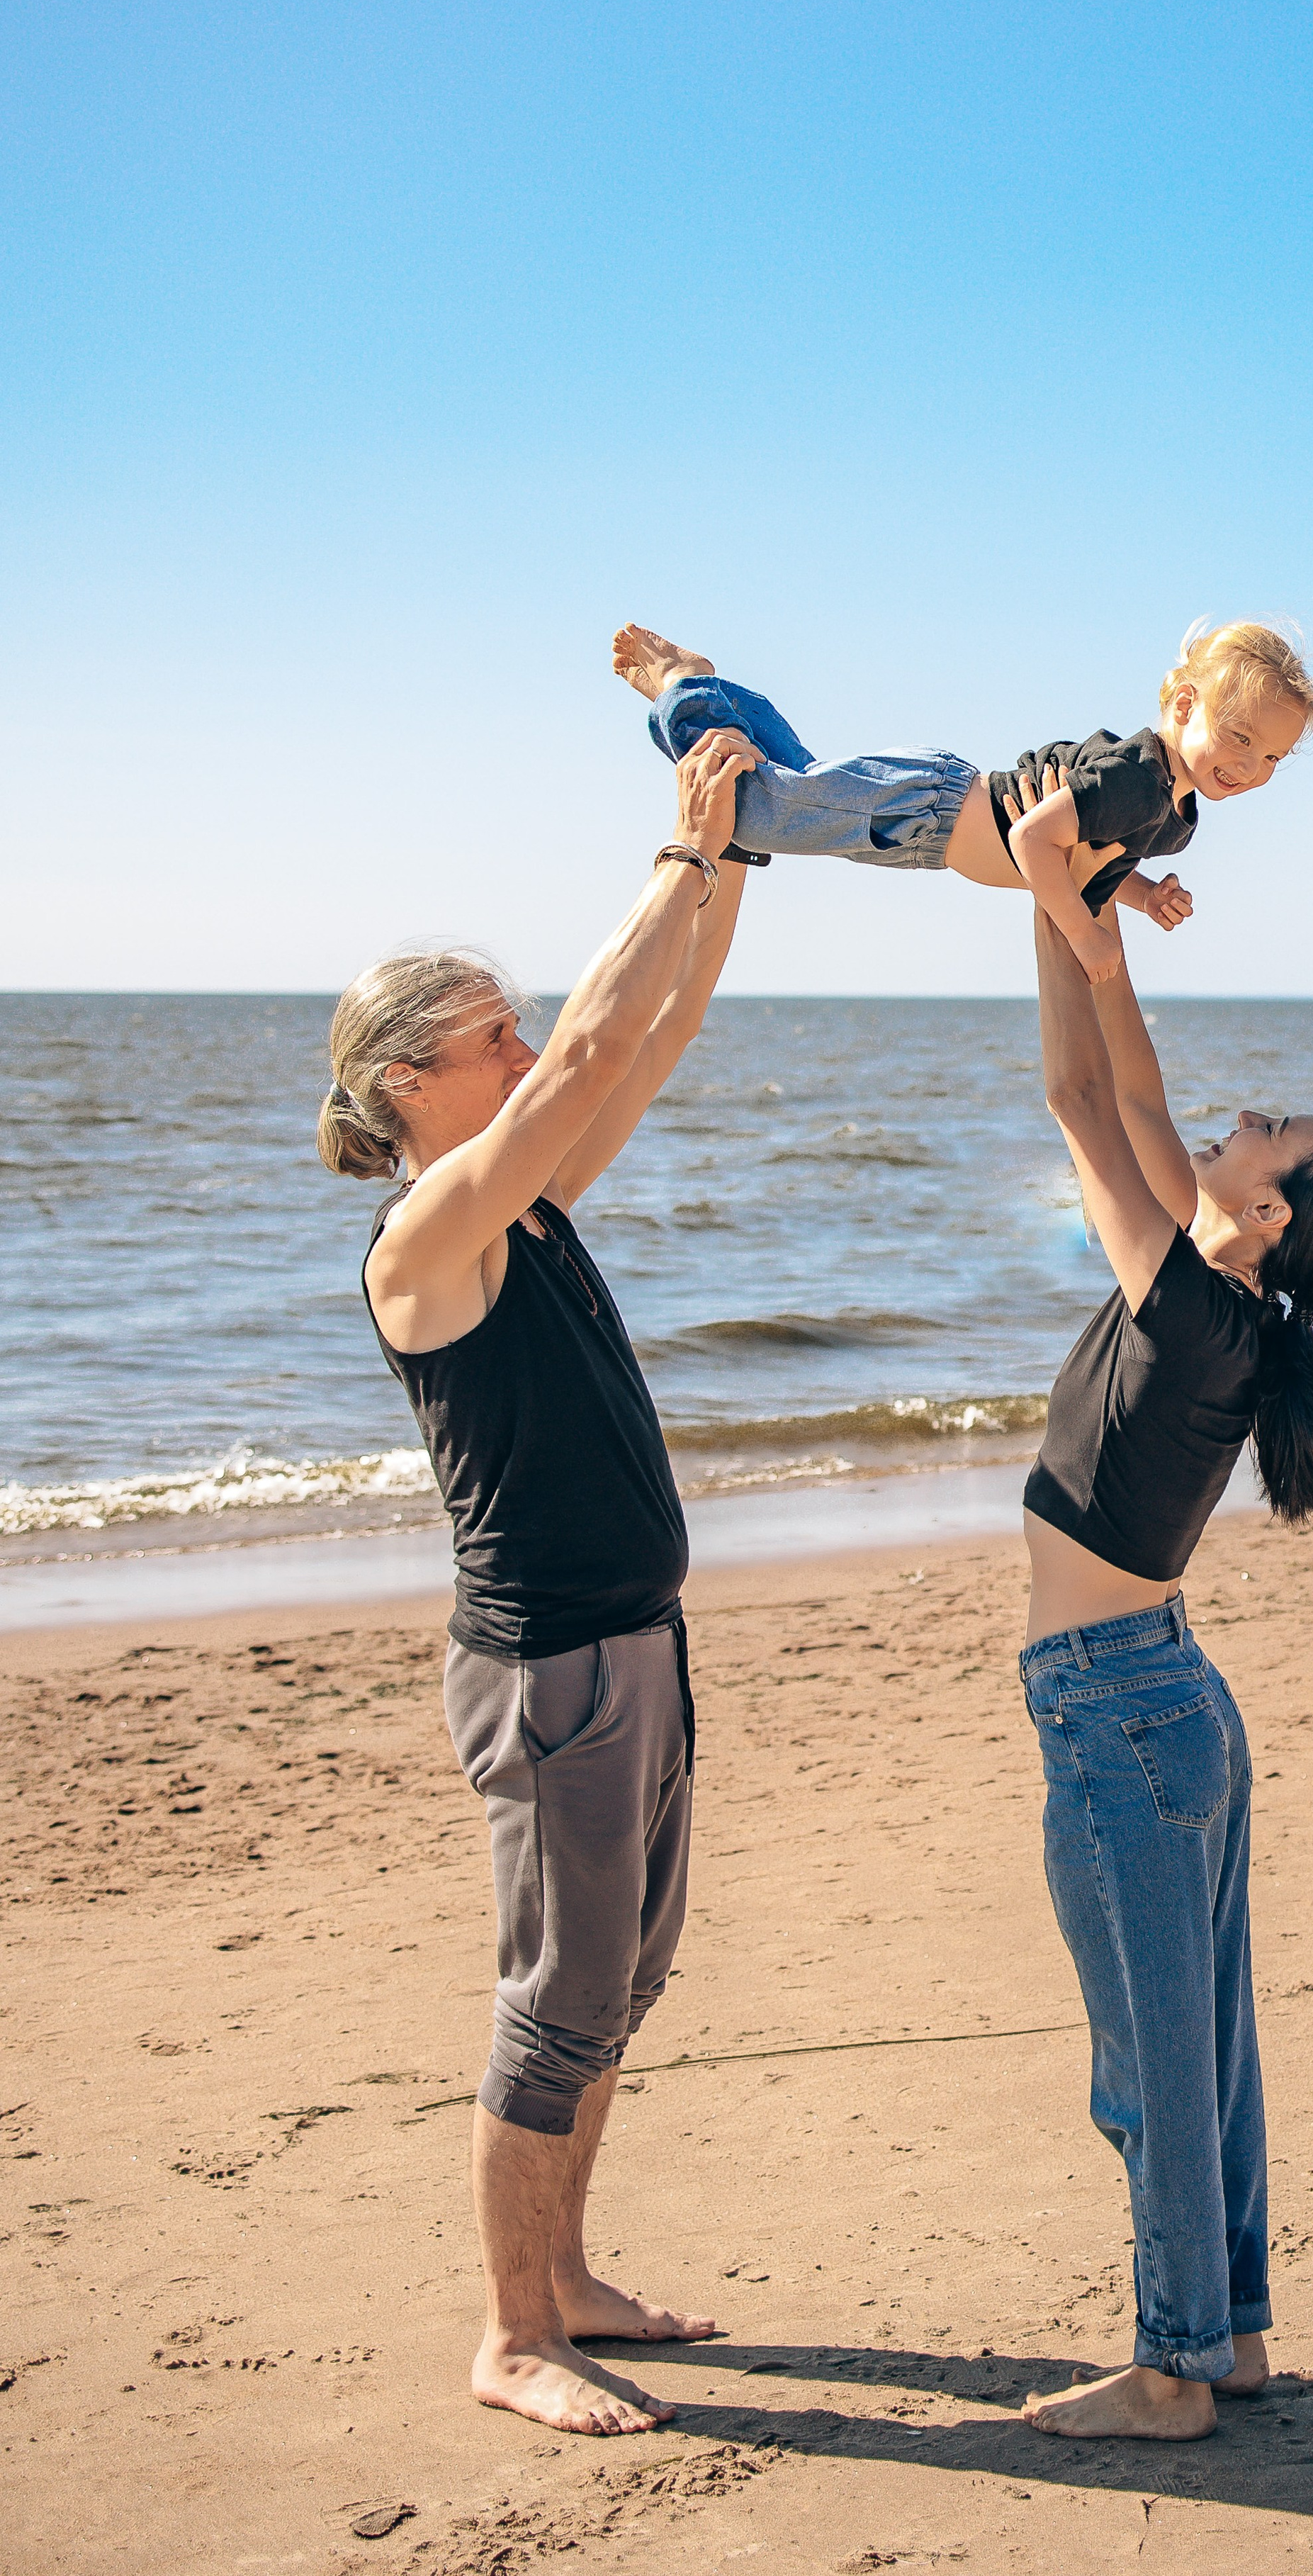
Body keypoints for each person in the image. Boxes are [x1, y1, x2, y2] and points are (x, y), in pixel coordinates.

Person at [316, 728, 755, 2438]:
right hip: (552, 1671)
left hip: (634, 1648)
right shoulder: (430, 1232)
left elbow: (647, 1033)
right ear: (412, 1077)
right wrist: (669, 846)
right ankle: (511, 2333)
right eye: (484, 1032)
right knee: (556, 1999)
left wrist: (725, 869)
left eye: (510, 1021)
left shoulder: (527, 1201)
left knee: (613, 1992)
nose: (519, 1048)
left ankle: (567, 2281)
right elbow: (581, 1047)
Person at [1013, 885, 1313, 2441]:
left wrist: (1082, 923)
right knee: (1199, 2046)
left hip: (1123, 1713)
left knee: (1155, 2064)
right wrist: (1061, 909)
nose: (1242, 1119)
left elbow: (1099, 1100)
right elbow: (1092, 1094)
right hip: (1156, 1700)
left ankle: (1174, 2365)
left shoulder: (1193, 1310)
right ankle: (1228, 2331)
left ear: (1265, 1215)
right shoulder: (1217, 1299)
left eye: (1271, 1133)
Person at [611, 617, 1313, 987]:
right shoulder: (1136, 774)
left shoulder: (1169, 806)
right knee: (751, 812)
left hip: (929, 818)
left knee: (797, 777)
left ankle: (719, 695)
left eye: (1271, 756)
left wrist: (1144, 897)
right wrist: (1082, 932)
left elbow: (1095, 853)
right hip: (928, 810)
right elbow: (1033, 842)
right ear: (1183, 703)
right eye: (1238, 737)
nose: (1248, 766)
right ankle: (686, 689)